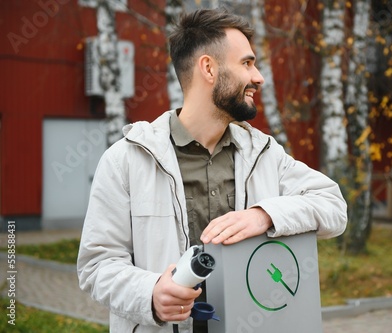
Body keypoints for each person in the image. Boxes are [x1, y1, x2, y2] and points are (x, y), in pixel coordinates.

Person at [77, 7, 348, 333]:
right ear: (208, 68)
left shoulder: (265, 154)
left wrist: (264, 215)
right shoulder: (125, 160)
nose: (258, 76)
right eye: (247, 63)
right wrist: (150, 292)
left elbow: (334, 207)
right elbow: (97, 266)